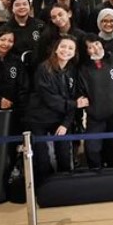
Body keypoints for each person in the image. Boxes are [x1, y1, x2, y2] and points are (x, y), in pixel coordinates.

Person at [25, 35, 86, 178]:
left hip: (60, 119)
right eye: (63, 47)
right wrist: (74, 104)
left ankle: (63, 186)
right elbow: (49, 98)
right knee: (42, 159)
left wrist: (66, 123)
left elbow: (74, 98)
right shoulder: (44, 69)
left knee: (64, 155)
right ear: (56, 49)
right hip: (39, 119)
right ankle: (44, 187)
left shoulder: (72, 71)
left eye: (71, 48)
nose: (66, 50)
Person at [4, 0, 47, 72]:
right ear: (12, 8)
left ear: (30, 6)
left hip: (38, 68)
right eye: (17, 5)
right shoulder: (5, 29)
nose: (21, 7)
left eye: (24, 4)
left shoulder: (40, 25)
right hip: (16, 69)